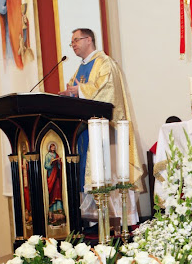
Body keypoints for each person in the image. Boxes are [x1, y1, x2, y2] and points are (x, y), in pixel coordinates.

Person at [59, 28, 142, 193]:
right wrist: (70, 94)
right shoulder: (81, 68)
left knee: (102, 179)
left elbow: (107, 89)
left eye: (76, 40)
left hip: (104, 132)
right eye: (71, 42)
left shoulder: (105, 63)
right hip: (83, 130)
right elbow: (75, 91)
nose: (73, 44)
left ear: (89, 40)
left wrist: (80, 90)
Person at [44, 142, 65, 225]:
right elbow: (46, 166)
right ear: (50, 148)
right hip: (51, 175)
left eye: (54, 147)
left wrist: (59, 162)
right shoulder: (47, 155)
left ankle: (59, 209)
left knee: (58, 189)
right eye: (52, 147)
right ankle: (52, 213)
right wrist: (50, 162)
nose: (53, 148)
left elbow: (60, 165)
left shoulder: (57, 155)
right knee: (52, 192)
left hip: (57, 176)